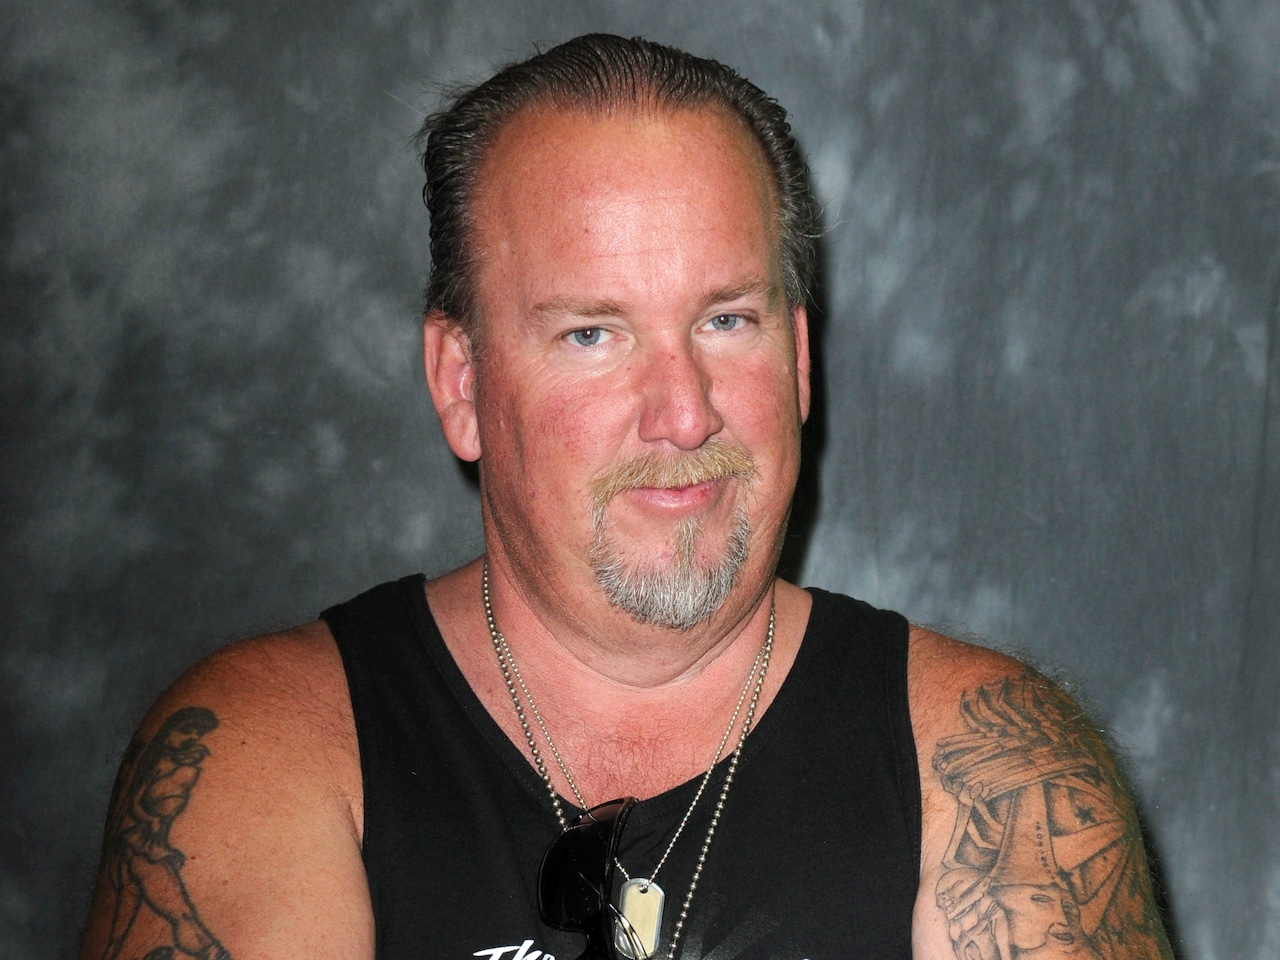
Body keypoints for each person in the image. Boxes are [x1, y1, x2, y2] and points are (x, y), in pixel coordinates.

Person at [79, 34, 1174, 960]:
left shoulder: (993, 771)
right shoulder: (260, 753)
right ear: (461, 384)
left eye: (726, 321)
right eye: (591, 335)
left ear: (799, 359)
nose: (683, 415)